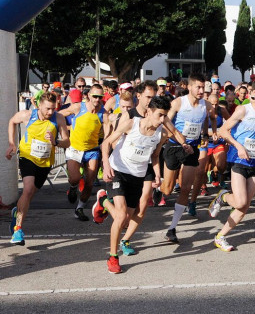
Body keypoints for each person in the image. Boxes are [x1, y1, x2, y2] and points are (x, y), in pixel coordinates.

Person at [93, 96, 171, 274]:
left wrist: (158, 175)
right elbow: (106, 143)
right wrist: (105, 165)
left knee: (127, 220)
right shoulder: (130, 124)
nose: (162, 120)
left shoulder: (161, 134)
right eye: (159, 115)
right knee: (120, 217)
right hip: (118, 171)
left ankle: (104, 201)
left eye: (165, 116)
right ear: (149, 111)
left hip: (137, 176)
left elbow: (155, 156)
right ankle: (113, 257)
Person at [208, 78, 255, 251]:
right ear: (253, 93)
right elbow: (223, 131)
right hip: (238, 160)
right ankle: (223, 196)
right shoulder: (243, 110)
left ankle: (220, 236)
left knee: (245, 206)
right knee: (240, 202)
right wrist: (238, 146)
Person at [6, 92, 70, 245]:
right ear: (39, 105)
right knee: (27, 190)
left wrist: (55, 141)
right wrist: (12, 144)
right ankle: (18, 229)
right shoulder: (28, 115)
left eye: (53, 109)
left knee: (30, 194)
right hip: (27, 156)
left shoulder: (58, 118)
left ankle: (17, 213)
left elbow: (67, 142)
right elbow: (12, 121)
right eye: (47, 108)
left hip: (45, 162)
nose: (50, 112)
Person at [161, 74, 216, 243]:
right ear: (190, 87)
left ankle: (172, 228)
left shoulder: (206, 106)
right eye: (198, 87)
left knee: (186, 188)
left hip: (192, 149)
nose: (202, 91)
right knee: (168, 190)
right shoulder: (178, 102)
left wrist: (206, 133)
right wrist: (178, 137)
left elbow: (207, 119)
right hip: (174, 147)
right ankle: (158, 190)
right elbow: (165, 120)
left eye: (203, 87)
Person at [60, 84, 109, 221]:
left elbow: (108, 134)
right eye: (95, 96)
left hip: (92, 150)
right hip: (74, 149)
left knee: (89, 182)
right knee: (75, 178)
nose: (97, 99)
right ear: (88, 96)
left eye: (100, 97)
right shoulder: (78, 107)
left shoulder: (103, 114)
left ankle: (79, 208)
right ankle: (73, 187)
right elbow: (59, 115)